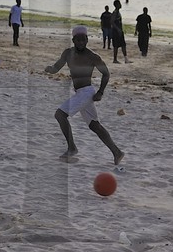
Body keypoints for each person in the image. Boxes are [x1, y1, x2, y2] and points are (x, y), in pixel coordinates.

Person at [44, 25, 125, 163]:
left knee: (60, 115)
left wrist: (100, 92)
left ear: (87, 39)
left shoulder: (93, 57)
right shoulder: (68, 53)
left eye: (83, 39)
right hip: (80, 93)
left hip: (87, 93)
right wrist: (50, 69)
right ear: (73, 40)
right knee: (95, 125)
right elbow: (57, 67)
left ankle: (72, 148)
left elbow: (106, 74)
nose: (81, 42)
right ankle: (117, 152)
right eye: (78, 40)